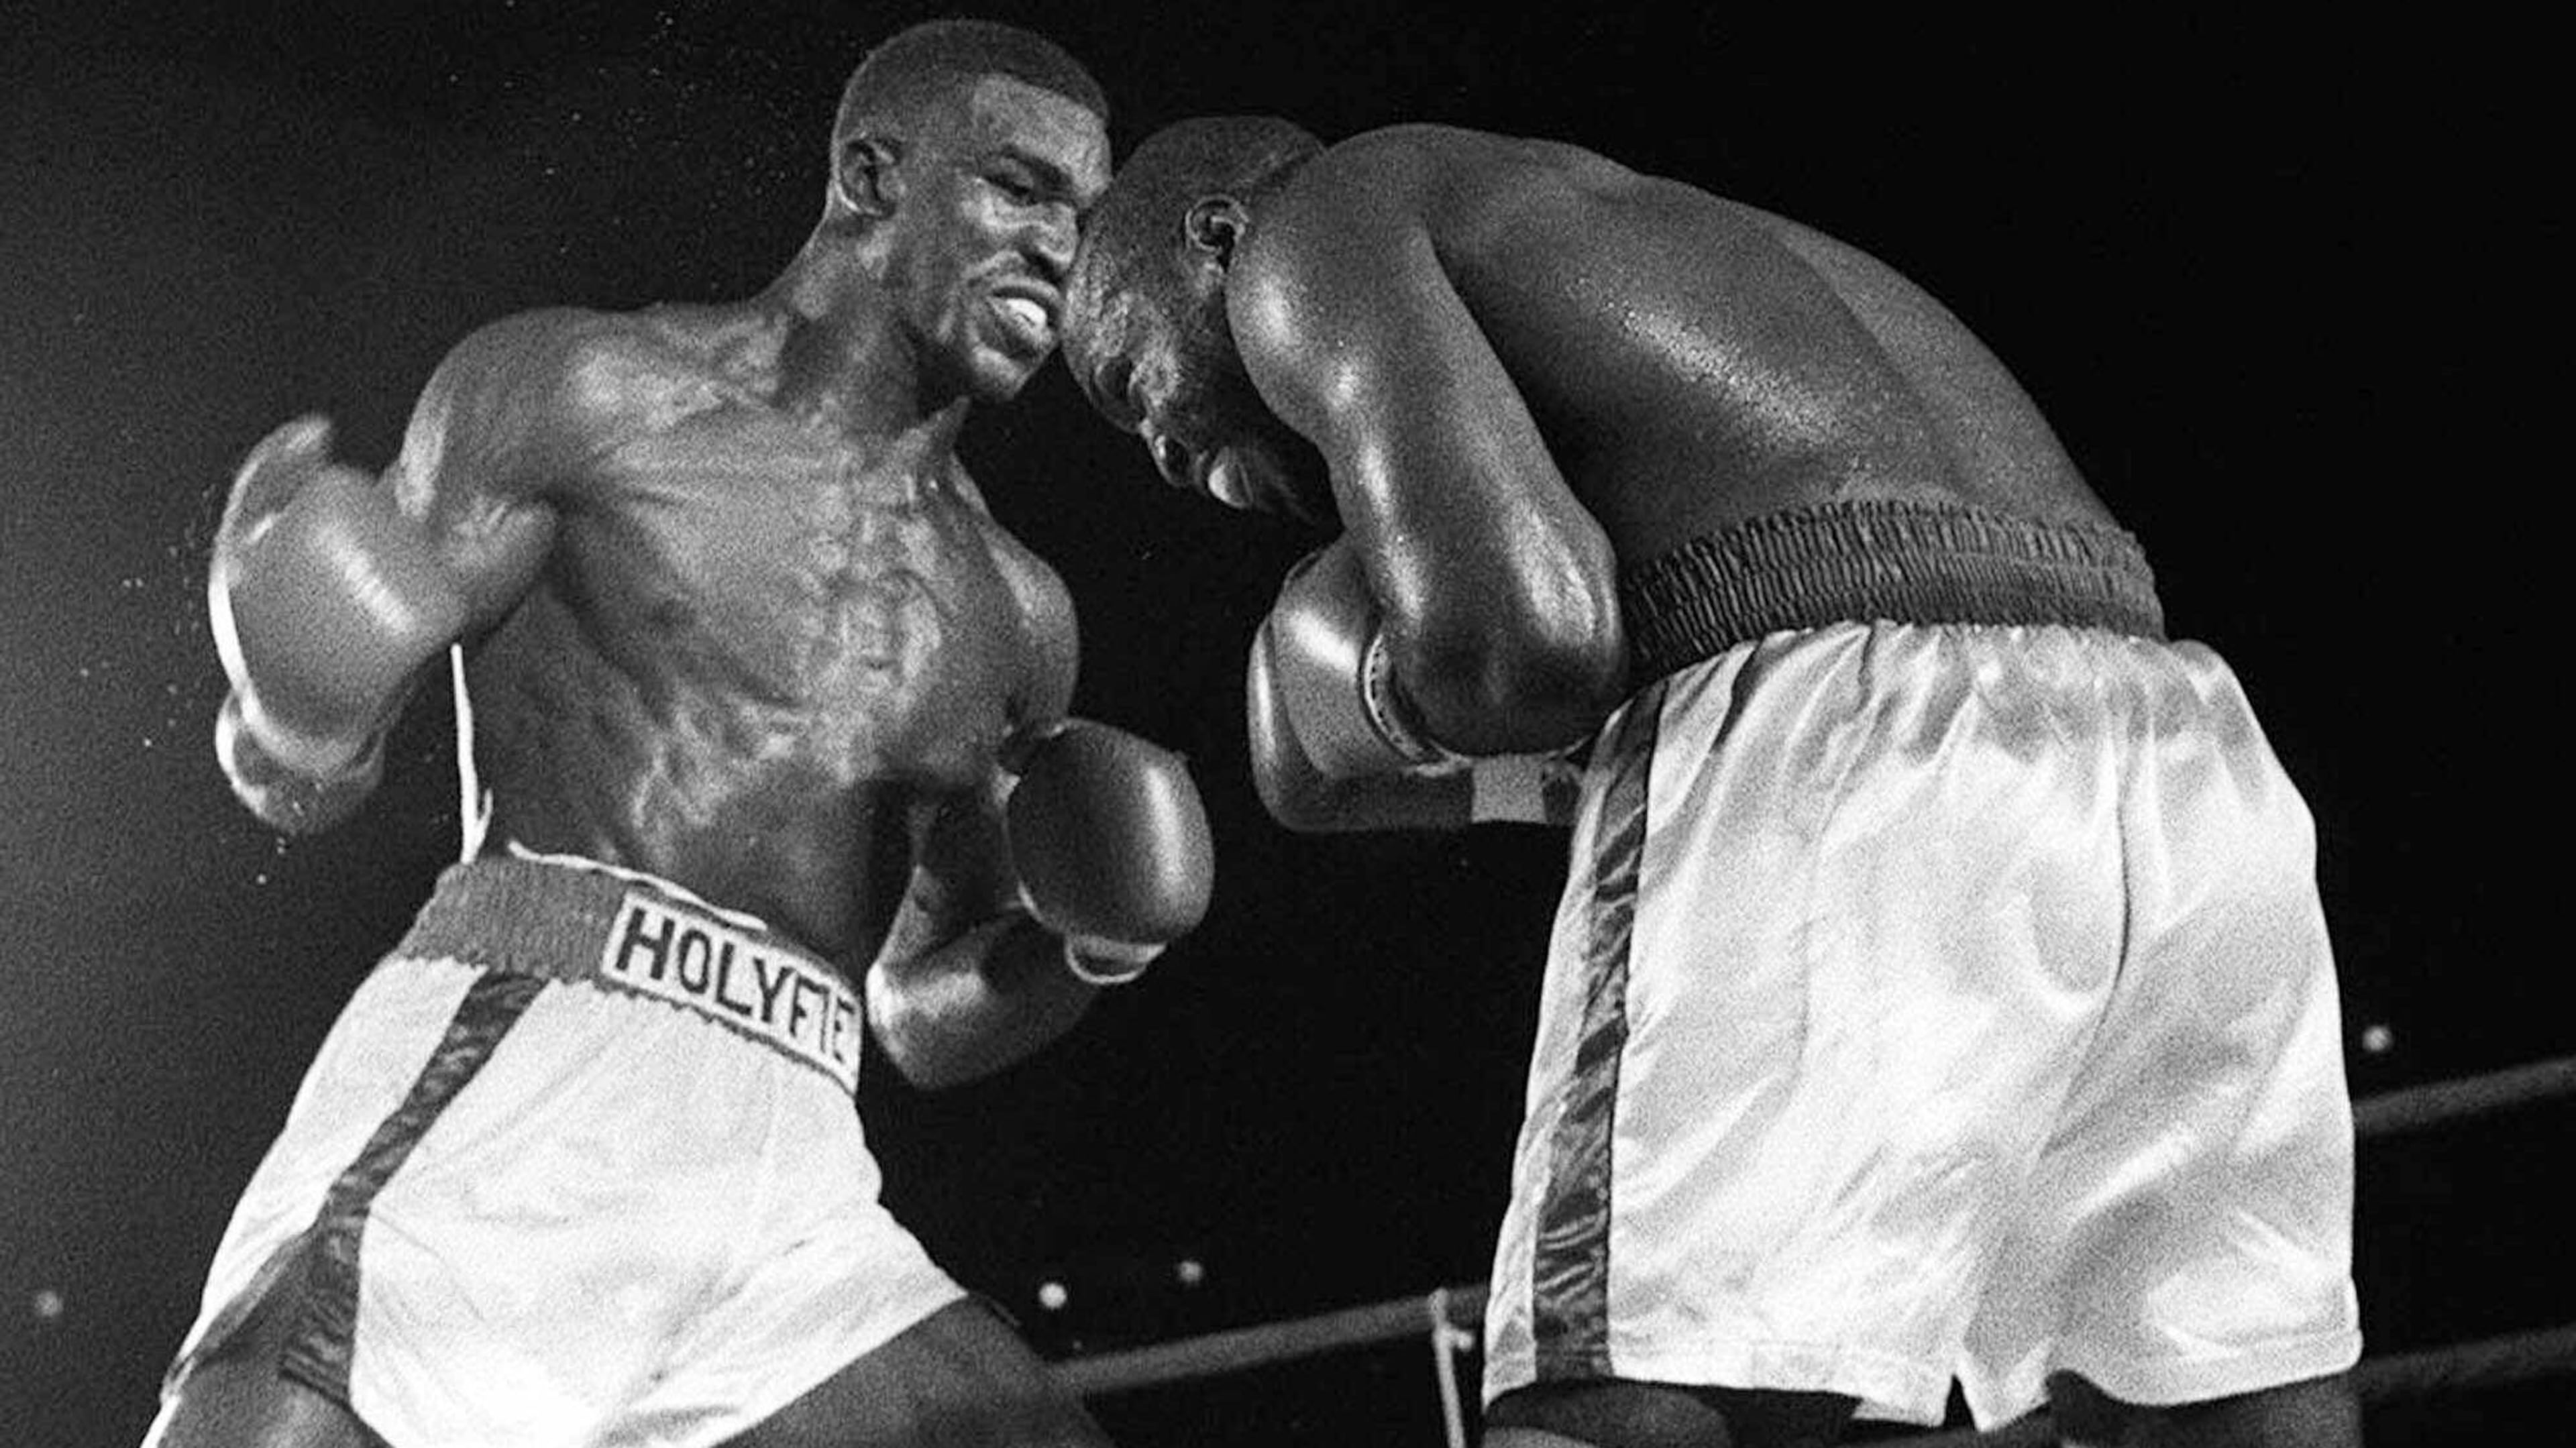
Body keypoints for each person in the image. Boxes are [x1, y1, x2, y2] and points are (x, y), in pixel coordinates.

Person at [1061, 116, 2361, 1448]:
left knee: (1624, 1404)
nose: (1160, 456)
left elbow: (1530, 648)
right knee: (2216, 1402)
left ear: (1212, 235)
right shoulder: (1644, 246)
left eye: (1124, 382)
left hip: (1852, 729)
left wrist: (1375, 696)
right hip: (2172, 740)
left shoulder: (1312, 227)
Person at [152, 20, 1214, 1448]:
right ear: (872, 174)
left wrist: (1085, 949)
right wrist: (288, 709)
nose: (1060, 252)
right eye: (1021, 190)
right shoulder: (585, 389)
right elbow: (299, 779)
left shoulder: (1017, 612)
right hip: (532, 1059)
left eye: (1084, 225)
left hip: (795, 1166)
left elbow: (920, 1011)